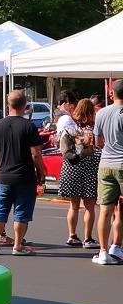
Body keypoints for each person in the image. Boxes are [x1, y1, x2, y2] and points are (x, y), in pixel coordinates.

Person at [0, 90, 45, 257]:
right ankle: (18, 245)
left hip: (3, 176)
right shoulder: (29, 126)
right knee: (21, 213)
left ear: (8, 105)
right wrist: (41, 172)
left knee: (0, 213)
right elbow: (35, 153)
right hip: (25, 177)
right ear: (25, 106)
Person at [91, 78, 123, 265]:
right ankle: (116, 247)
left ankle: (103, 251)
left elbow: (98, 143)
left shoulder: (101, 113)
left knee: (105, 210)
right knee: (121, 211)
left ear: (112, 93)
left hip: (106, 164)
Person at [60, 97, 99, 249]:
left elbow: (64, 149)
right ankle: (88, 238)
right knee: (89, 205)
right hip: (88, 169)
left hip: (71, 168)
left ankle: (72, 236)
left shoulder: (69, 128)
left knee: (73, 205)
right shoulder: (93, 129)